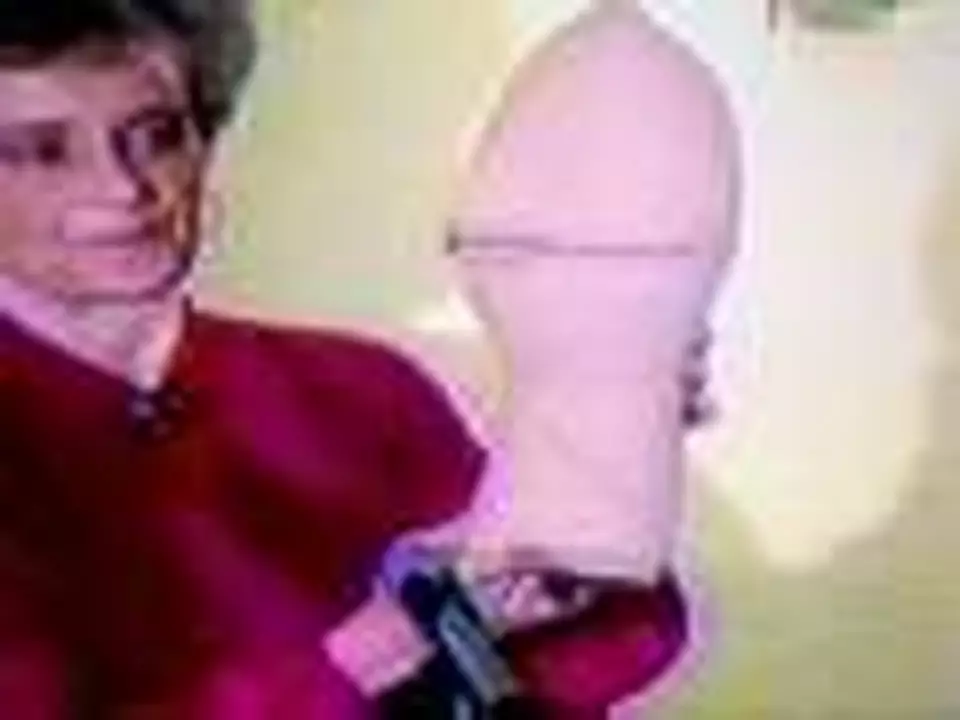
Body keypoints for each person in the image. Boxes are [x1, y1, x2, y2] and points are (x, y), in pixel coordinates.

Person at [0, 1, 712, 717]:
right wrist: (384, 644)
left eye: (157, 136)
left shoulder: (365, 387)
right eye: (42, 151)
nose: (123, 188)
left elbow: (618, 649)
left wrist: (590, 475)